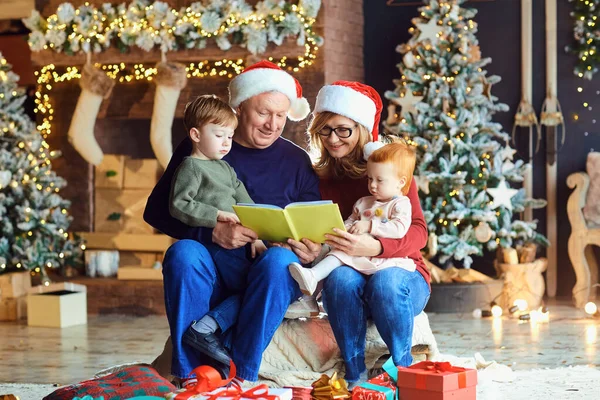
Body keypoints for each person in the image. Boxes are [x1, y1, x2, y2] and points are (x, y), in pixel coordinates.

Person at [144, 60, 322, 384]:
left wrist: (312, 247)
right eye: (263, 113)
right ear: (239, 108)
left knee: (280, 260)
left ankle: (243, 376)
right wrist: (212, 230)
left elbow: (314, 221)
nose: (273, 124)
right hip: (213, 264)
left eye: (281, 115)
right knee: (183, 253)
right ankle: (191, 376)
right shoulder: (201, 149)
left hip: (268, 270)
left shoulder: (297, 160)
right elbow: (156, 212)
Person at [305, 81, 431, 387]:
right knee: (339, 279)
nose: (333, 139)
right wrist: (312, 248)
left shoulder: (388, 169)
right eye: (325, 130)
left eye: (342, 129)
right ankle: (355, 372)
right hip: (350, 269)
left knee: (386, 284)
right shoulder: (319, 177)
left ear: (361, 128)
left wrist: (374, 244)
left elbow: (418, 233)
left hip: (401, 274)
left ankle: (403, 371)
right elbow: (321, 231)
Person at [289, 141, 417, 295]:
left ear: (400, 182)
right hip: (356, 250)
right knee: (331, 251)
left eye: (379, 180)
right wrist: (344, 229)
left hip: (384, 259)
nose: (373, 185)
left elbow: (399, 229)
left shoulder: (400, 204)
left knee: (340, 254)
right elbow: (351, 220)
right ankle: (310, 285)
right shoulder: (364, 202)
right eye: (370, 179)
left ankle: (313, 277)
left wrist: (369, 226)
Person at [169, 94, 266, 258]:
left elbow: (245, 201)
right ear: (196, 135)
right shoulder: (191, 167)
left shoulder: (225, 167)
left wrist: (256, 233)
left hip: (240, 240)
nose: (227, 143)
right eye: (220, 135)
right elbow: (179, 204)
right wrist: (216, 214)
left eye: (230, 136)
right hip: (213, 244)